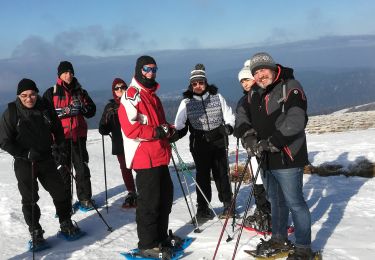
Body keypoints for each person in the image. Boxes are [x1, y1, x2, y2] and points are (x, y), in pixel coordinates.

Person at [240, 52, 312, 259]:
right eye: (257, 72)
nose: (261, 75)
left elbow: (297, 120)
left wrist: (273, 142)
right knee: (275, 201)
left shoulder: (290, 86)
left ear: (273, 68)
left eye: (264, 69)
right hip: (266, 158)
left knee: (295, 203)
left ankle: (303, 248)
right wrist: (249, 136)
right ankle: (279, 238)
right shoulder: (254, 92)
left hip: (288, 156)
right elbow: (242, 115)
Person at [0, 79, 83, 249]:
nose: (29, 98)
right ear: (18, 96)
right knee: (30, 199)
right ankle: (36, 231)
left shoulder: (45, 107)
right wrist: (24, 153)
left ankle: (65, 222)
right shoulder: (11, 112)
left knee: (60, 192)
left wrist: (60, 147)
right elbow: (4, 141)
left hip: (47, 158)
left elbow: (58, 129)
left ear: (36, 93)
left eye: (32, 94)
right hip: (25, 162)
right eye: (24, 96)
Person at [118, 55, 181, 259]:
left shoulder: (152, 95)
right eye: (146, 69)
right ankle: (147, 244)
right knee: (149, 203)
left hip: (160, 155)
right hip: (145, 158)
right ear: (138, 70)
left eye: (154, 69)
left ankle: (160, 237)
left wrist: (170, 130)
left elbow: (160, 122)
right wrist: (156, 132)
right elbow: (131, 128)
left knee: (165, 198)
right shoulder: (131, 95)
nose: (150, 73)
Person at [174, 63, 235, 220]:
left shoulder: (217, 97)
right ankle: (203, 208)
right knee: (202, 176)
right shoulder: (186, 102)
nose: (198, 86)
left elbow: (229, 116)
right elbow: (180, 125)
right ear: (191, 85)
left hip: (218, 141)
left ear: (205, 83)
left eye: (201, 82)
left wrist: (228, 127)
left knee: (221, 173)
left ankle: (228, 204)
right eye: (195, 83)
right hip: (199, 142)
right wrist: (173, 135)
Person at [43, 61, 96, 211]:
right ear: (59, 75)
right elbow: (44, 114)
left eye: (70, 72)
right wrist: (61, 112)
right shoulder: (51, 92)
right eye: (65, 72)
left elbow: (91, 110)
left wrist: (82, 108)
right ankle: (64, 204)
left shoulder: (80, 91)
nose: (68, 75)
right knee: (63, 171)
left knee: (82, 168)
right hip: (60, 138)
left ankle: (85, 199)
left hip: (78, 135)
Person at [233, 60, 272, 232]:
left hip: (265, 146)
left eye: (247, 79)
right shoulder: (244, 100)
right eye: (242, 81)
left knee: (267, 181)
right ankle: (264, 213)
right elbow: (242, 123)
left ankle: (267, 215)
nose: (245, 83)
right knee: (258, 180)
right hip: (253, 147)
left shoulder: (263, 96)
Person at [99, 78, 137, 208]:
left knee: (139, 167)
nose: (120, 90)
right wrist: (104, 126)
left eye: (122, 87)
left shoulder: (132, 102)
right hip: (120, 143)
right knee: (125, 169)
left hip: (134, 141)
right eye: (117, 88)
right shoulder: (110, 107)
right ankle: (131, 192)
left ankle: (144, 191)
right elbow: (103, 126)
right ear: (113, 91)